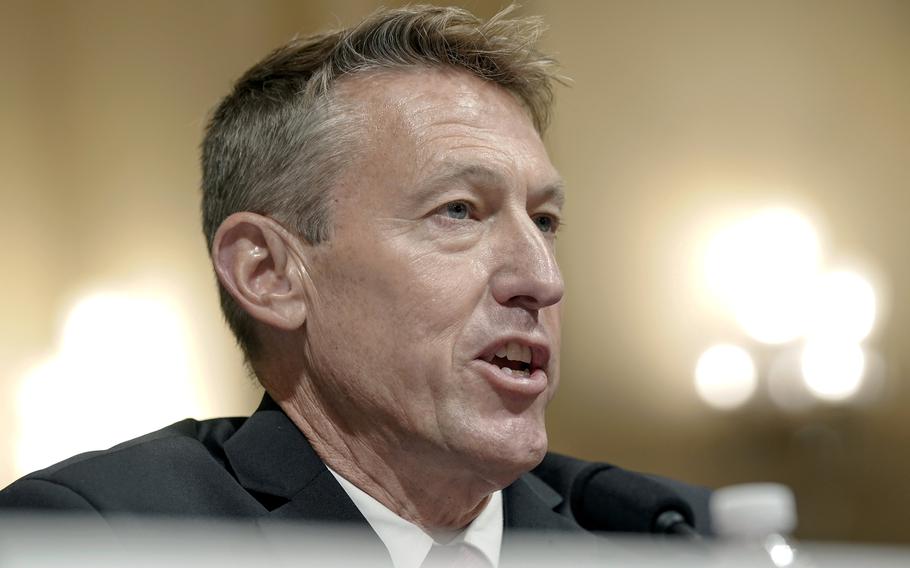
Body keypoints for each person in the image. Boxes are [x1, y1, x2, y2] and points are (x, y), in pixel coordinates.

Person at [0, 5, 710, 566]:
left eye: (546, 221)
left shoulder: (677, 540)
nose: (542, 280)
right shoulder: (103, 537)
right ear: (269, 273)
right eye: (459, 211)